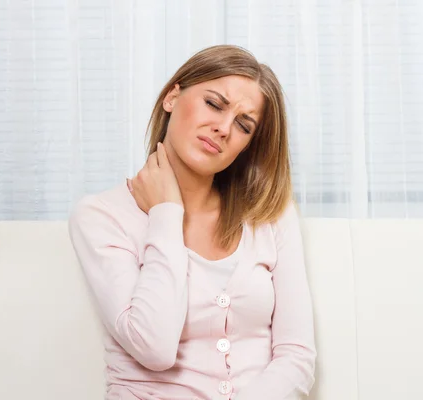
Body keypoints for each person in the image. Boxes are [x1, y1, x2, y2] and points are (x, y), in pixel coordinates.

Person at [68, 44, 316, 400]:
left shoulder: (269, 214)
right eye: (214, 104)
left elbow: (296, 356)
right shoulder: (101, 215)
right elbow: (153, 348)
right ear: (172, 96)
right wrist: (166, 213)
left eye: (244, 126)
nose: (223, 128)